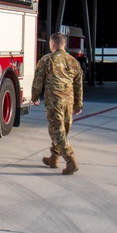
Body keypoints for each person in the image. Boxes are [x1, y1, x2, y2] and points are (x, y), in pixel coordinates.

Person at [31, 32, 84, 175]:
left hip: (54, 101)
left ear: (52, 44)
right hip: (69, 102)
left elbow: (38, 80)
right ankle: (54, 158)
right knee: (63, 131)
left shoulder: (47, 60)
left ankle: (70, 160)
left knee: (57, 132)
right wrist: (78, 105)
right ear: (64, 44)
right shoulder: (73, 61)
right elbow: (78, 84)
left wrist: (35, 97)